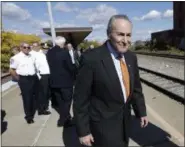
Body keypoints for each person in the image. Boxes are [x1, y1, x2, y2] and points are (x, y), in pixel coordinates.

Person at [73, 14, 148, 147]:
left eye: (129, 35)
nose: (125, 40)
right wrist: (83, 131)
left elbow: (136, 88)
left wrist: (141, 112)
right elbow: (80, 99)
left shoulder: (131, 57)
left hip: (125, 122)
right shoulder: (92, 59)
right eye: (120, 34)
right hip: (102, 126)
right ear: (108, 34)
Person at [46, 36, 76, 127]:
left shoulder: (49, 52)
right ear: (63, 43)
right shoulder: (64, 52)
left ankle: (66, 118)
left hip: (53, 82)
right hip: (65, 81)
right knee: (67, 101)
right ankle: (62, 120)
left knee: (60, 102)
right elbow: (70, 67)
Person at [9, 43, 37, 124]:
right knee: (27, 98)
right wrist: (19, 79)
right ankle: (29, 117)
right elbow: (12, 70)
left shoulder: (31, 56)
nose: (27, 49)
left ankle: (32, 111)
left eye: (28, 47)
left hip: (33, 78)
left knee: (33, 97)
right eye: (25, 47)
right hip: (24, 79)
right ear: (21, 48)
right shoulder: (16, 58)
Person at [30, 43, 51, 115]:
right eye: (35, 46)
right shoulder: (31, 54)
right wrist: (39, 76)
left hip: (46, 74)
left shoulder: (41, 53)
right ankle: (41, 109)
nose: (37, 47)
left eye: (38, 46)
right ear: (32, 47)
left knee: (46, 93)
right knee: (42, 93)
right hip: (41, 75)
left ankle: (44, 107)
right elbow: (34, 66)